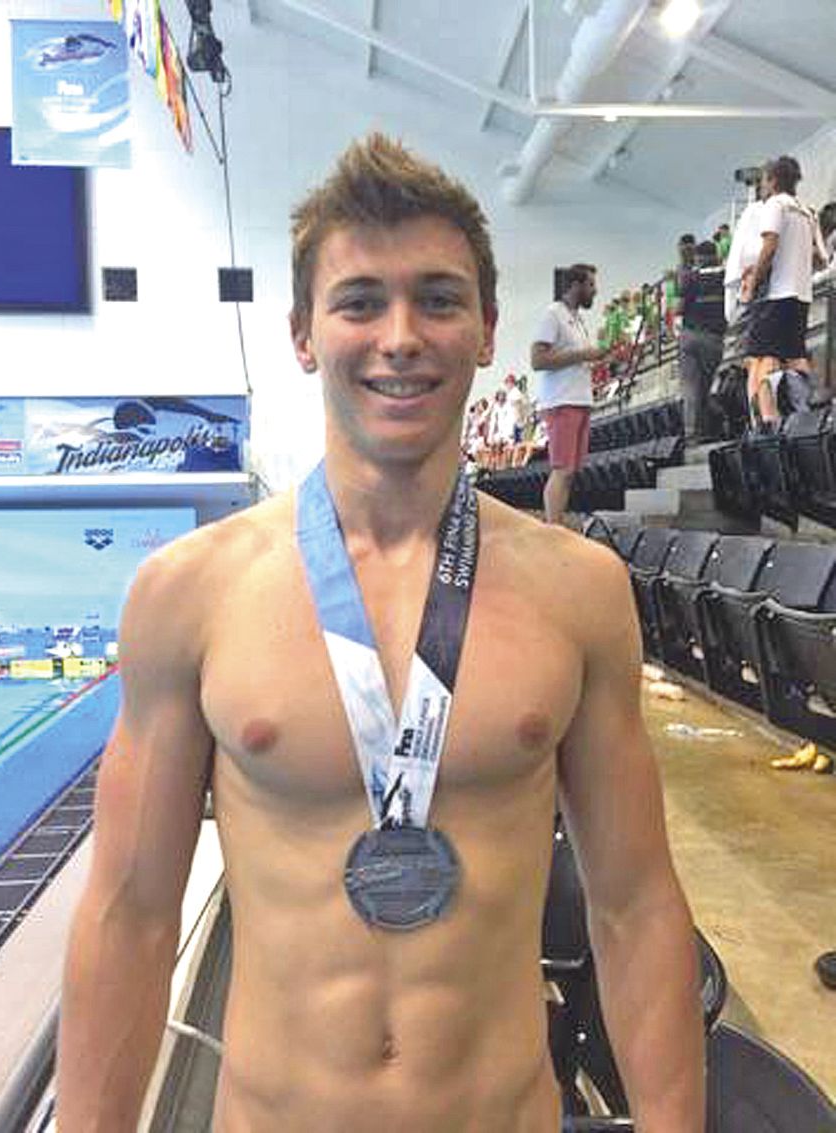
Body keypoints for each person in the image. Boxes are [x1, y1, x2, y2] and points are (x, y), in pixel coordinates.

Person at [56, 133, 704, 1133]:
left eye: (438, 299)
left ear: (487, 328)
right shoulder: (189, 592)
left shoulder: (580, 589)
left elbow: (635, 904)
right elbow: (130, 915)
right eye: (359, 301)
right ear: (303, 333)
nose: (400, 334)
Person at [741, 155, 827, 425]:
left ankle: (768, 423)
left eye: (765, 180)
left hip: (777, 295)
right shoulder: (807, 211)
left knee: (763, 358)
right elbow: (820, 258)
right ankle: (807, 416)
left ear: (773, 180)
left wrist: (752, 282)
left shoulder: (775, 205)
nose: (763, 186)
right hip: (800, 296)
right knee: (795, 357)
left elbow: (770, 246)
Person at [531, 264, 608, 526]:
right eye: (591, 285)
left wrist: (594, 360)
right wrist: (584, 355)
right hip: (562, 402)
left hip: (579, 400)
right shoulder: (553, 314)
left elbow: (574, 360)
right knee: (562, 470)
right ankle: (552, 530)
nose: (595, 291)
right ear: (576, 285)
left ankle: (556, 525)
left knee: (570, 472)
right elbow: (538, 359)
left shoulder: (577, 319)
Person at [677, 240, 727, 443]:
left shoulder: (690, 277)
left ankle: (692, 435)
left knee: (691, 389)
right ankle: (717, 429)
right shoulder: (725, 276)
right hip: (713, 338)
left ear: (698, 258)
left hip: (689, 337)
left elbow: (679, 309)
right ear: (715, 255)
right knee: (709, 388)